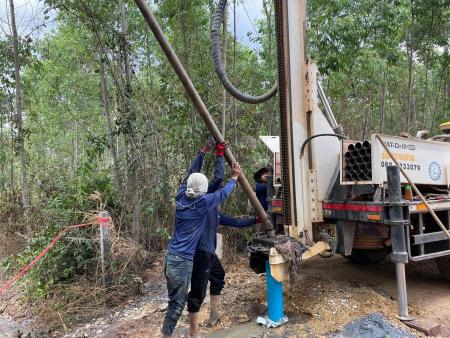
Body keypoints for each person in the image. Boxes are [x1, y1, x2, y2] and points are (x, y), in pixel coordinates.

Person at [161, 144, 241, 338]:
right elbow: (223, 192)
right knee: (177, 305)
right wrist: (234, 178)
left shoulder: (181, 196)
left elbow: (191, 172)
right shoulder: (203, 203)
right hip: (182, 261)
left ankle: (182, 333)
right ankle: (169, 335)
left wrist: (202, 153)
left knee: (175, 303)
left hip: (170, 257)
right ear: (204, 191)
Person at [186, 141, 260, 337]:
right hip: (200, 252)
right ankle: (193, 331)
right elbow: (215, 179)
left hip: (207, 252)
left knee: (218, 276)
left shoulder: (213, 210)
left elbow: (234, 221)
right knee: (198, 290)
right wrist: (229, 170)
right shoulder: (203, 202)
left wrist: (255, 220)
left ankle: (213, 314)